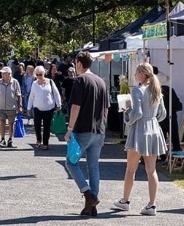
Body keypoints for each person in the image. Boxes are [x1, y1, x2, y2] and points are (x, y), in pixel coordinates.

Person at [113, 63, 167, 216]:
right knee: (151, 170)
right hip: (154, 129)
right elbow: (162, 114)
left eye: (136, 72)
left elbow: (137, 113)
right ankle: (152, 205)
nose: (135, 74)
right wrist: (152, 119)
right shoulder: (156, 90)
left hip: (140, 130)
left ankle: (125, 200)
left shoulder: (137, 90)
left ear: (142, 74)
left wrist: (126, 115)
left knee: (131, 169)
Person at [64, 51, 109, 217]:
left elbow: (75, 106)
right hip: (99, 130)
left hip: (82, 129)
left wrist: (69, 129)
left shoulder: (80, 80)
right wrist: (103, 128)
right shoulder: (101, 82)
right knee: (93, 166)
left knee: (71, 162)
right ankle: (91, 206)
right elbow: (106, 109)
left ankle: (88, 194)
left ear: (79, 64)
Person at [27, 65, 61, 150]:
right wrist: (28, 108)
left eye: (40, 74)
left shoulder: (50, 82)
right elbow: (31, 96)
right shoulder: (34, 84)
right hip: (37, 107)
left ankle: (45, 143)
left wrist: (59, 104)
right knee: (37, 125)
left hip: (49, 107)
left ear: (44, 73)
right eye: (37, 74)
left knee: (47, 126)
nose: (39, 76)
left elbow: (56, 94)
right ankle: (38, 139)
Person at [153, 67, 182, 157]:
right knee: (175, 140)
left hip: (159, 118)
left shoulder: (152, 91)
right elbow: (179, 106)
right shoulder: (170, 90)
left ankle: (162, 156)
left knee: (160, 139)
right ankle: (177, 158)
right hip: (171, 117)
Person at [0, 67, 22, 147]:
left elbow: (19, 95)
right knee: (2, 122)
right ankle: (2, 139)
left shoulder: (15, 82)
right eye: (2, 73)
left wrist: (20, 106)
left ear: (9, 74)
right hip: (1, 106)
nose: (2, 75)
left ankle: (10, 139)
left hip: (11, 107)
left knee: (11, 124)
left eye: (4, 73)